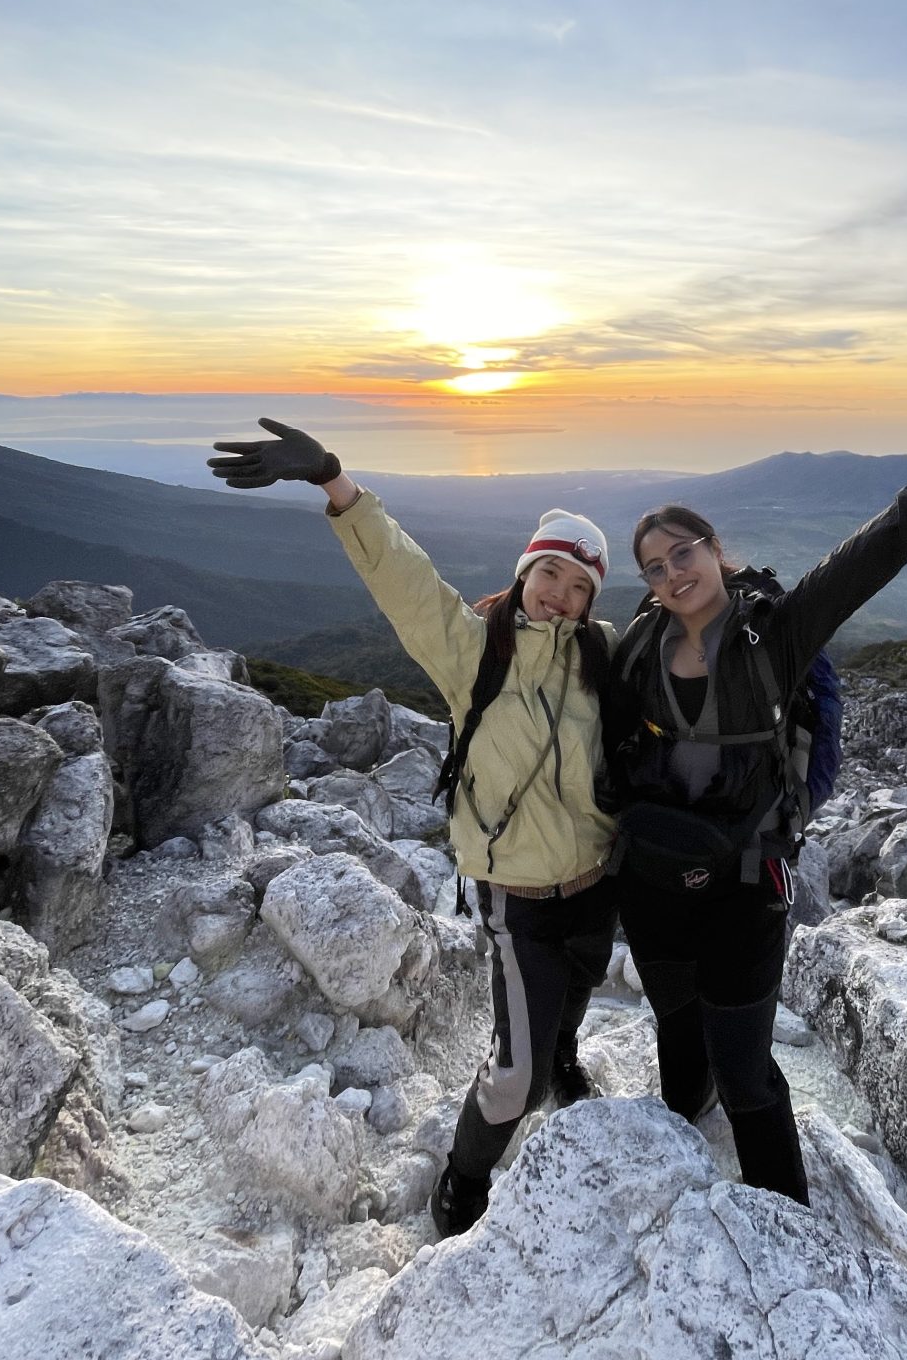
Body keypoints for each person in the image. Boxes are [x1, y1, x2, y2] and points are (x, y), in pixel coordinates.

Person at [604, 404, 907, 1207]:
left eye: (683, 553)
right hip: (654, 877)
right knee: (676, 1025)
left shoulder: (774, 633)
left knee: (744, 1066)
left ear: (715, 550)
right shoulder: (637, 647)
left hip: (745, 879)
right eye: (655, 569)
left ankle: (789, 1216)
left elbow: (862, 563)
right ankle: (683, 1131)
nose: (672, 575)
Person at [208, 418, 619, 1236]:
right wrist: (335, 483)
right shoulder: (475, 653)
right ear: (527, 571)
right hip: (519, 895)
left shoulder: (600, 655)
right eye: (551, 576)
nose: (563, 597)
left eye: (579, 589)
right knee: (513, 1076)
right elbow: (407, 580)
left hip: (595, 883)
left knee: (572, 999)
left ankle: (564, 1057)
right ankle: (463, 1181)